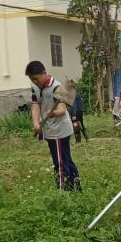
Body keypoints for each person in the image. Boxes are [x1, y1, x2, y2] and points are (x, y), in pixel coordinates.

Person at [26, 60, 80, 191]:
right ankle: (76, 189)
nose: (34, 81)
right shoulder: (35, 88)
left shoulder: (57, 87)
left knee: (60, 163)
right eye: (32, 79)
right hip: (50, 129)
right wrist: (36, 123)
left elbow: (62, 110)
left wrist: (53, 113)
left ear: (44, 73)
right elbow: (35, 105)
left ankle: (63, 193)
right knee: (66, 160)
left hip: (59, 131)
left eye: (36, 78)